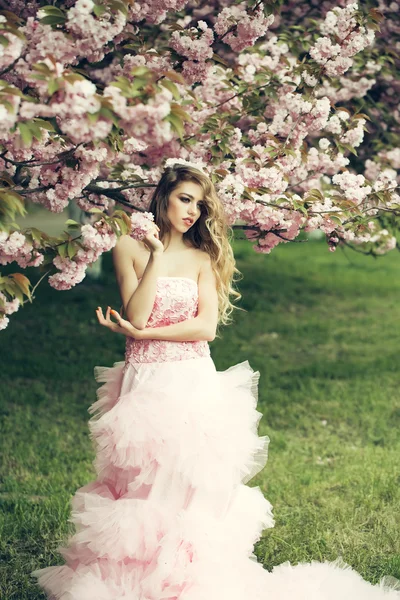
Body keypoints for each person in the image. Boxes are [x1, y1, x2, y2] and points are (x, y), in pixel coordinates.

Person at [32, 163, 400, 599]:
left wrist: (147, 335)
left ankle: (185, 578)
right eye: (185, 199)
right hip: (144, 381)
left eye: (200, 205)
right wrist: (154, 259)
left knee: (188, 481)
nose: (192, 212)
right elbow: (136, 313)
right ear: (164, 195)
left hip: (191, 377)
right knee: (142, 482)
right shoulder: (129, 247)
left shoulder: (203, 256)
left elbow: (204, 327)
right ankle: (138, 575)